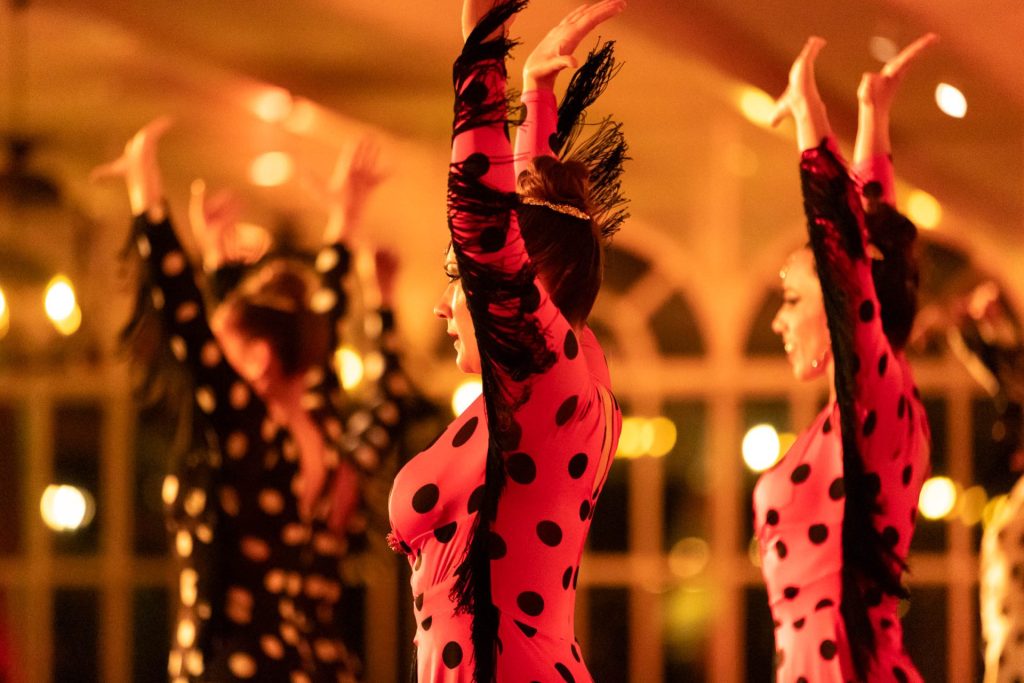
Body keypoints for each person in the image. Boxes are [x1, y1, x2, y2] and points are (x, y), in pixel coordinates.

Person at [93, 120, 406, 682]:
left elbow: (187, 325)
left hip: (238, 670)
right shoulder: (309, 427)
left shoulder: (255, 431)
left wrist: (147, 195)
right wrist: (343, 226)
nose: (216, 363)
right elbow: (316, 330)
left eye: (227, 349)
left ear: (259, 362)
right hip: (291, 664)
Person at [386, 1, 626, 680]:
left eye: (456, 278)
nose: (443, 304)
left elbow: (491, 229)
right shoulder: (560, 385)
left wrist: (483, 53)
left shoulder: (557, 382)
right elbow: (520, 243)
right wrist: (536, 109)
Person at [758, 34, 935, 681]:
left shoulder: (877, 400)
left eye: (792, 297)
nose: (779, 319)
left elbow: (855, 271)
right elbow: (866, 265)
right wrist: (874, 119)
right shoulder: (868, 408)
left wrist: (812, 124)